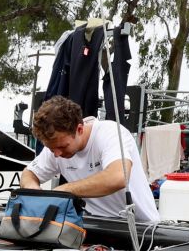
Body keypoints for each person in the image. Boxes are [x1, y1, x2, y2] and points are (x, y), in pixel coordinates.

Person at [20, 94, 159, 224]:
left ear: (79, 129)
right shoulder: (56, 145)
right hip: (96, 224)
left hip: (141, 227)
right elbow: (29, 174)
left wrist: (63, 191)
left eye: (63, 146)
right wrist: (36, 194)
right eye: (51, 149)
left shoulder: (111, 133)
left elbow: (118, 177)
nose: (56, 154)